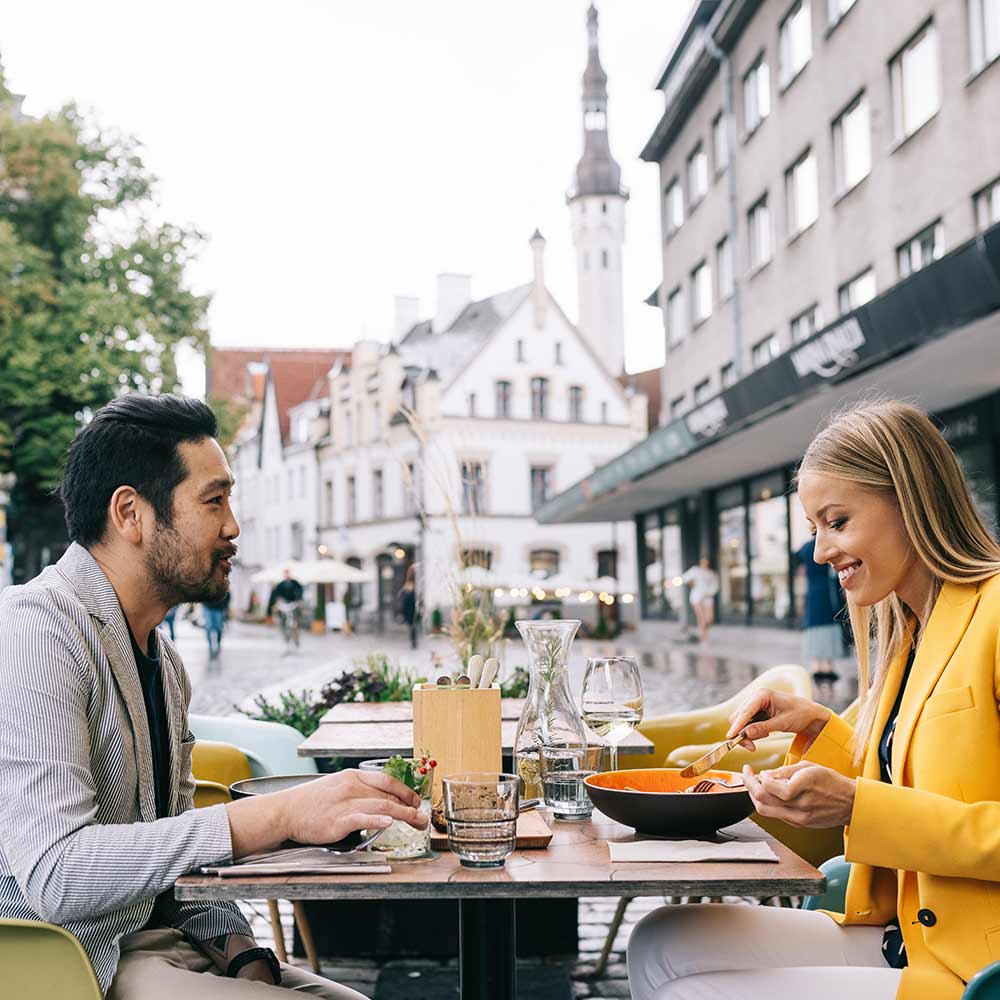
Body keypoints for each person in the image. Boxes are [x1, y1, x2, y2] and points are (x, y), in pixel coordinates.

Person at [0, 394, 425, 999]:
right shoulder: (36, 632)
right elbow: (53, 874)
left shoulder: (165, 663)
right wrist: (275, 815)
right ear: (131, 513)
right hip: (67, 962)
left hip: (160, 945)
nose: (233, 526)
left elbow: (175, 859)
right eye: (214, 500)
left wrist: (241, 949)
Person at [626, 399, 1000, 999]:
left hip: (975, 967)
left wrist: (857, 807)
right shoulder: (910, 632)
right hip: (904, 937)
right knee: (662, 939)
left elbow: (886, 806)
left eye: (839, 521)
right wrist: (819, 728)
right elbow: (913, 777)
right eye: (814, 529)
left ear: (911, 502)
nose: (823, 552)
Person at [795, 536, 847, 686]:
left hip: (812, 592)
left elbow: (795, 557)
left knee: (813, 625)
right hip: (827, 592)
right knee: (827, 623)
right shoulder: (827, 545)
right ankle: (828, 665)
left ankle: (816, 665)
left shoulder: (805, 548)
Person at [682, 556, 720, 642]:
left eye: (706, 562)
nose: (704, 564)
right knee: (701, 617)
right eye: (703, 562)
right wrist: (692, 584)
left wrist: (709, 593)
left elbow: (715, 586)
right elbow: (685, 578)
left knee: (709, 619)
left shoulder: (712, 573)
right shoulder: (695, 570)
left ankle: (703, 634)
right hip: (697, 596)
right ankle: (702, 636)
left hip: (708, 598)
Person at [267, 569, 304, 650]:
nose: (287, 575)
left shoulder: (295, 583)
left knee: (296, 622)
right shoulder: (280, 584)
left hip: (294, 605)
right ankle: (286, 639)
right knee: (283, 622)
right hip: (284, 606)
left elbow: (300, 592)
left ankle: (296, 638)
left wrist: (300, 600)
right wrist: (275, 604)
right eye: (285, 574)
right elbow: (275, 595)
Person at [202, 590, 229, 658]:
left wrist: (224, 606)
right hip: (208, 608)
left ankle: (218, 643)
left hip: (219, 609)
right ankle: (210, 646)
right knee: (208, 628)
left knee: (219, 628)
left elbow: (228, 594)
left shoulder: (222, 580)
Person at [398, 564, 418, 649]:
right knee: (413, 627)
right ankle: (413, 641)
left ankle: (413, 641)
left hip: (411, 610)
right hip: (411, 610)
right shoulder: (411, 585)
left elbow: (403, 597)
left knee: (412, 627)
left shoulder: (409, 585)